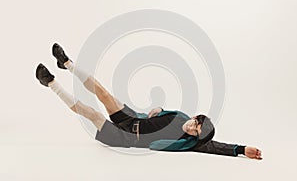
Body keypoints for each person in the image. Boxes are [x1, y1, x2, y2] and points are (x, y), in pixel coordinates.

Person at [35, 43, 262, 160]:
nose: (191, 127)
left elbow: (215, 147)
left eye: (195, 131)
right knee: (104, 93)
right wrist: (160, 108)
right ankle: (66, 64)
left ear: (195, 137)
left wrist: (241, 150)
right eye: (196, 122)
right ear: (195, 117)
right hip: (134, 118)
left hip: (123, 138)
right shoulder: (181, 116)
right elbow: (164, 113)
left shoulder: (190, 142)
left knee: (92, 113)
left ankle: (51, 83)